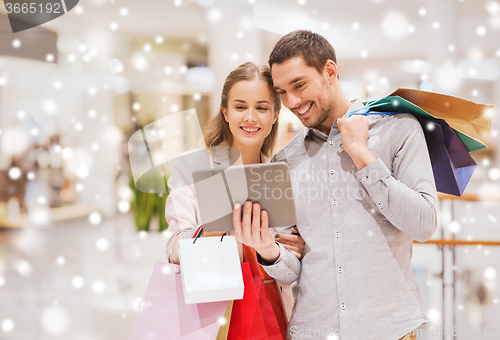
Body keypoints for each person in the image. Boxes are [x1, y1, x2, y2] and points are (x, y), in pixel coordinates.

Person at [232, 30, 438, 340]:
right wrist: (267, 249)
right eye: (282, 92)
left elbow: (423, 224)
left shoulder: (398, 130)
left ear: (330, 71)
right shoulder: (285, 160)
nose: (293, 102)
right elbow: (293, 271)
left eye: (299, 85)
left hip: (388, 330)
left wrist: (362, 155)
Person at [164, 61, 306, 340]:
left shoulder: (285, 175)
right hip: (212, 315)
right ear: (225, 111)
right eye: (241, 107)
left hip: (272, 314)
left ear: (276, 114)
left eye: (262, 108)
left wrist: (269, 249)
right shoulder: (191, 169)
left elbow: (292, 271)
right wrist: (212, 229)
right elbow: (172, 250)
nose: (250, 117)